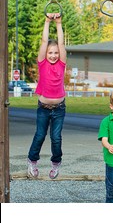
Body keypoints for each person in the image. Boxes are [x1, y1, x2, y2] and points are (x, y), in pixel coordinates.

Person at [27, 13, 67, 179]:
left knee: (56, 138)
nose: (53, 55)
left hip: (59, 108)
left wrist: (58, 23)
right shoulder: (42, 63)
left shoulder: (61, 64)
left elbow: (62, 43)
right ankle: (32, 160)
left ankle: (55, 164)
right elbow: (44, 41)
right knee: (40, 135)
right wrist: (46, 21)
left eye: (55, 53)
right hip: (43, 108)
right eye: (50, 52)